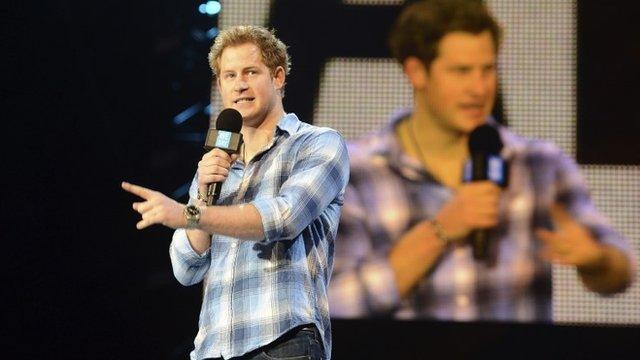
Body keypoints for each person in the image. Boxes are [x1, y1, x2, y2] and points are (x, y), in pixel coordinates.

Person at [328, 0, 633, 321]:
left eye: (487, 69)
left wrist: (597, 259)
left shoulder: (538, 164)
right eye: (461, 71)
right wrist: (440, 231)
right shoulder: (355, 173)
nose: (478, 88)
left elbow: (620, 272)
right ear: (417, 72)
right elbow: (332, 304)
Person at [122, 25, 349, 359]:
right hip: (214, 348)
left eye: (250, 72)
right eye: (229, 75)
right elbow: (186, 268)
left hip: (282, 341)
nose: (239, 84)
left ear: (278, 77)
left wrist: (188, 214)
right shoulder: (216, 166)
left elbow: (284, 218)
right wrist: (202, 194)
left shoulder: (317, 143)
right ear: (219, 85)